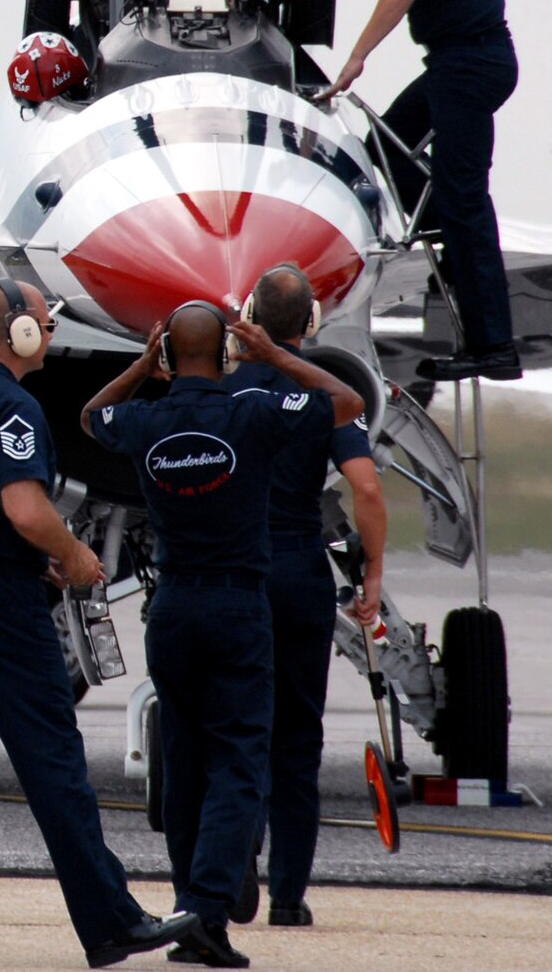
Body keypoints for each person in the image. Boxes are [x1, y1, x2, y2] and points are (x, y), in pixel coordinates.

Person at [0, 279, 207, 968]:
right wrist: (73, 553)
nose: (52, 331)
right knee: (55, 764)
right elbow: (24, 507)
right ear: (18, 332)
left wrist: (30, 556)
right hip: (0, 608)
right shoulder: (12, 406)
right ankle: (112, 921)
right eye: (46, 322)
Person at [81, 299, 363, 967]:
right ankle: (207, 911)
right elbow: (347, 400)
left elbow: (91, 417)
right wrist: (276, 356)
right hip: (238, 605)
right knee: (240, 760)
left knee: (184, 763)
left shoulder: (145, 419)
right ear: (231, 354)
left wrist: (140, 366)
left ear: (171, 355)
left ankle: (188, 906)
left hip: (172, 606)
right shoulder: (253, 413)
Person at [222, 0, 520, 383]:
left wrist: (356, 57)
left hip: (476, 61)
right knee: (388, 152)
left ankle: (493, 346)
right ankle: (457, 261)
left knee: (463, 198)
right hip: (446, 64)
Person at [219, 265, 387, 927]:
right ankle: (289, 896)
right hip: (299, 571)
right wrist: (371, 575)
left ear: (252, 316)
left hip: (239, 571)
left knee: (238, 729)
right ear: (310, 321)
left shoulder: (228, 393)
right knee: (297, 737)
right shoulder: (325, 399)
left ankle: (235, 864)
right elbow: (366, 490)